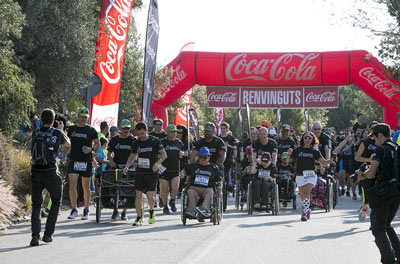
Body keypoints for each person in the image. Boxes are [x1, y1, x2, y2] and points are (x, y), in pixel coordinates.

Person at [356, 123, 400, 264]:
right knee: (386, 225)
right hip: (396, 190)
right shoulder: (397, 147)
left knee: (378, 228)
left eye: (375, 138)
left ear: (380, 135)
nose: (374, 141)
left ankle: (389, 260)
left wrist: (361, 174)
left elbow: (372, 173)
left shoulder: (380, 149)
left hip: (383, 192)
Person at [30, 109, 70, 246]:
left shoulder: (35, 132)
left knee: (36, 205)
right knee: (56, 201)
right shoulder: (57, 133)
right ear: (53, 121)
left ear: (41, 120)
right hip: (51, 172)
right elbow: (68, 144)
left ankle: (35, 235)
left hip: (36, 172)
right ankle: (48, 234)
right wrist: (61, 129)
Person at [123, 121, 167, 226]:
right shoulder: (136, 142)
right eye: (138, 134)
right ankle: (138, 217)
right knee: (138, 195)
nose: (141, 136)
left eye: (142, 134)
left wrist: (157, 164)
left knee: (150, 196)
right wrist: (127, 166)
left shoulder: (154, 141)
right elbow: (132, 156)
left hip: (152, 172)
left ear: (146, 131)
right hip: (140, 171)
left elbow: (164, 155)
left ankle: (151, 211)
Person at [288, 131, 333, 221]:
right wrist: (289, 154)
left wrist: (330, 161)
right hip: (300, 175)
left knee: (306, 192)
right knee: (302, 195)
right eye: (305, 138)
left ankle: (304, 213)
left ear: (313, 140)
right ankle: (307, 209)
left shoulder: (314, 151)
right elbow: (289, 160)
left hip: (310, 175)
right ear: (303, 139)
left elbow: (323, 161)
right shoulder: (298, 150)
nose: (307, 140)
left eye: (309, 138)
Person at [67, 107, 99, 220]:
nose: (83, 119)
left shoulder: (91, 130)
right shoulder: (71, 129)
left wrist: (91, 149)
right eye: (81, 117)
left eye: (85, 117)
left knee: (85, 186)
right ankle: (74, 209)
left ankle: (86, 209)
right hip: (73, 160)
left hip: (86, 161)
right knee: (72, 185)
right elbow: (67, 142)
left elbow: (97, 144)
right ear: (78, 117)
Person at [181, 147, 223, 220]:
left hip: (207, 188)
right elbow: (184, 171)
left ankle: (204, 210)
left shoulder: (213, 167)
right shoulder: (193, 166)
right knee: (190, 191)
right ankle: (191, 211)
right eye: (200, 157)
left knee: (210, 192)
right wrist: (182, 173)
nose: (202, 159)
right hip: (194, 188)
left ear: (209, 157)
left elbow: (219, 179)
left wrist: (220, 190)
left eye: (205, 157)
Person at [192, 122, 226, 209]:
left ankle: (218, 202)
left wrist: (218, 165)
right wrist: (194, 162)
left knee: (219, 181)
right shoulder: (200, 142)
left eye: (209, 131)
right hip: (202, 167)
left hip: (215, 167)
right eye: (206, 130)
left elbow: (222, 155)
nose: (207, 132)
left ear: (213, 131)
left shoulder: (219, 141)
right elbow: (194, 154)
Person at [107, 119, 135, 220]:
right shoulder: (114, 140)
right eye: (124, 128)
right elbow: (109, 153)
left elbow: (135, 154)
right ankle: (115, 210)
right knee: (115, 188)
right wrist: (111, 161)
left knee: (127, 189)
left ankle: (124, 211)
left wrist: (133, 164)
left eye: (127, 128)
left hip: (128, 167)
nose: (125, 130)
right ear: (119, 128)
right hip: (116, 166)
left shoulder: (132, 140)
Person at [355, 121, 378, 221]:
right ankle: (364, 208)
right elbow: (357, 157)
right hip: (366, 170)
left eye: (376, 128)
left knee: (377, 196)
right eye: (372, 128)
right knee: (367, 194)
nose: (374, 130)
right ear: (369, 130)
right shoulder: (365, 142)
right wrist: (370, 160)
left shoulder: (383, 142)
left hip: (379, 170)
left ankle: (374, 220)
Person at [159, 124, 184, 214]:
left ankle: (172, 201)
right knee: (165, 189)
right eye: (172, 132)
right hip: (164, 169)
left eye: (175, 132)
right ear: (168, 132)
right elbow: (157, 153)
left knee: (175, 188)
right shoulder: (162, 142)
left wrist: (182, 153)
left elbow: (184, 152)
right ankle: (165, 206)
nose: (174, 134)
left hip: (175, 168)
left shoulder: (179, 142)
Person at [176, 124, 193, 198]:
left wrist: (184, 153)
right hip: (173, 163)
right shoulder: (172, 141)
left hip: (184, 163)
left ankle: (180, 190)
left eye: (181, 133)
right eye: (177, 132)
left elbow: (192, 152)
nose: (179, 134)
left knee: (182, 177)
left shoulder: (188, 142)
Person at [219, 122, 237, 192]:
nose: (222, 130)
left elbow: (235, 147)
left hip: (228, 158)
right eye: (221, 129)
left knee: (228, 173)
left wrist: (228, 145)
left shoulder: (230, 138)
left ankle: (230, 185)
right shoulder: (219, 138)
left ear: (227, 129)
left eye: (224, 128)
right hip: (220, 159)